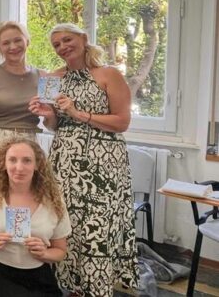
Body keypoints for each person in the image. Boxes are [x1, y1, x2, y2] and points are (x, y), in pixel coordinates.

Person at [29, 23, 138, 296]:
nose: (63, 47)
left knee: (97, 226)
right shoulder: (52, 78)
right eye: (57, 44)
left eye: (67, 40)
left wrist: (79, 114)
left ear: (83, 39)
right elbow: (54, 125)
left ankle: (97, 286)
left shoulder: (109, 74)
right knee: (67, 222)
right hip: (65, 158)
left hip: (104, 162)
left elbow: (122, 122)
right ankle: (73, 285)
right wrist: (47, 114)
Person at [0, 138, 71, 297]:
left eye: (27, 160)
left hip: (38, 274)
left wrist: (44, 253)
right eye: (12, 160)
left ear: (37, 165)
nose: (19, 167)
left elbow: (60, 251)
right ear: (4, 163)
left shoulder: (54, 201)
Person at [0, 22, 44, 179]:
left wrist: (49, 113)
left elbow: (52, 123)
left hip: (28, 146)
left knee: (26, 192)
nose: (13, 46)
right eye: (6, 43)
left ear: (27, 41)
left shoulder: (43, 77)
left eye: (18, 40)